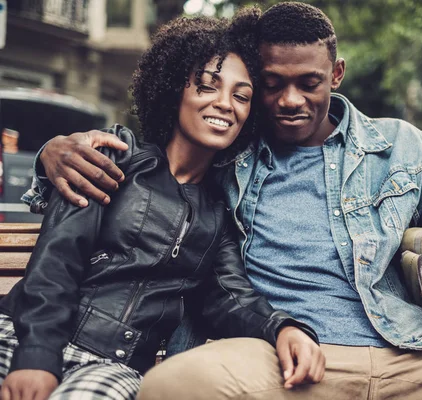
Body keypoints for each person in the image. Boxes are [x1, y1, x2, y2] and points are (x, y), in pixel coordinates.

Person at [25, 2, 422, 399]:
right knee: (174, 386)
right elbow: (162, 175)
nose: (289, 100)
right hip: (286, 361)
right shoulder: (231, 160)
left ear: (337, 74)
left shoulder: (397, 145)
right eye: (270, 84)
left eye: (310, 82)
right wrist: (53, 147)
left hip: (416, 353)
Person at [0, 9, 324, 400]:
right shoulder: (116, 155)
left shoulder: (219, 213)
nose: (226, 104)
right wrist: (36, 356)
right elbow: (58, 262)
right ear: (175, 91)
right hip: (21, 334)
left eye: (241, 96)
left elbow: (231, 295)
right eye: (207, 86)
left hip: (112, 367)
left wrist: (283, 327)